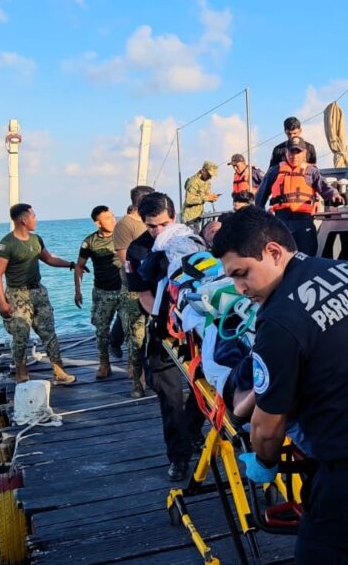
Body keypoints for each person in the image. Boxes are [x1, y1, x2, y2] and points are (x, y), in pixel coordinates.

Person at [211, 208, 348, 563]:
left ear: (272, 252)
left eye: (242, 274)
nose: (240, 288)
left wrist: (264, 463)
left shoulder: (279, 320)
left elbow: (267, 430)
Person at [126, 192, 205, 481]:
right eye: (151, 226)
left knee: (207, 384)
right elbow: (144, 296)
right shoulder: (138, 251)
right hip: (164, 329)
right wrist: (167, 317)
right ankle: (179, 457)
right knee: (169, 397)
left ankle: (193, 429)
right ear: (143, 223)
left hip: (195, 326)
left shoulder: (191, 240)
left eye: (163, 224)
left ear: (173, 218)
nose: (158, 231)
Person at [0, 203, 77, 385]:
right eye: (33, 216)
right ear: (23, 220)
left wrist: (71, 264)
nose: (35, 219)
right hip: (17, 295)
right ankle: (22, 371)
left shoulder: (36, 239)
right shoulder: (6, 245)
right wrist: (2, 302)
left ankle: (59, 371)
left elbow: (49, 259)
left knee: (49, 332)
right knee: (21, 335)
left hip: (38, 292)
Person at [255, 136, 344, 256]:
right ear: (286, 152)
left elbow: (324, 187)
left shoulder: (311, 171)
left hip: (304, 221)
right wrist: (261, 219)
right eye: (291, 151)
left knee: (306, 258)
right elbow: (260, 197)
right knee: (281, 258)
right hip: (281, 221)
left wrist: (334, 195)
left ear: (305, 153)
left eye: (298, 152)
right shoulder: (275, 171)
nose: (294, 156)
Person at [74, 205, 128, 380]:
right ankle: (104, 364)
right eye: (107, 218)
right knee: (101, 329)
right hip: (102, 292)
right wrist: (78, 291)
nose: (113, 220)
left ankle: (134, 366)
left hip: (124, 289)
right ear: (98, 223)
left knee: (132, 329)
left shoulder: (122, 234)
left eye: (113, 216)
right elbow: (79, 266)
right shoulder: (90, 242)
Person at [114, 185, 154, 398]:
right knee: (137, 338)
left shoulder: (153, 224)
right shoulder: (124, 226)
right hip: (134, 290)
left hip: (155, 288)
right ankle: (138, 381)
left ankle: (153, 378)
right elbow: (125, 260)